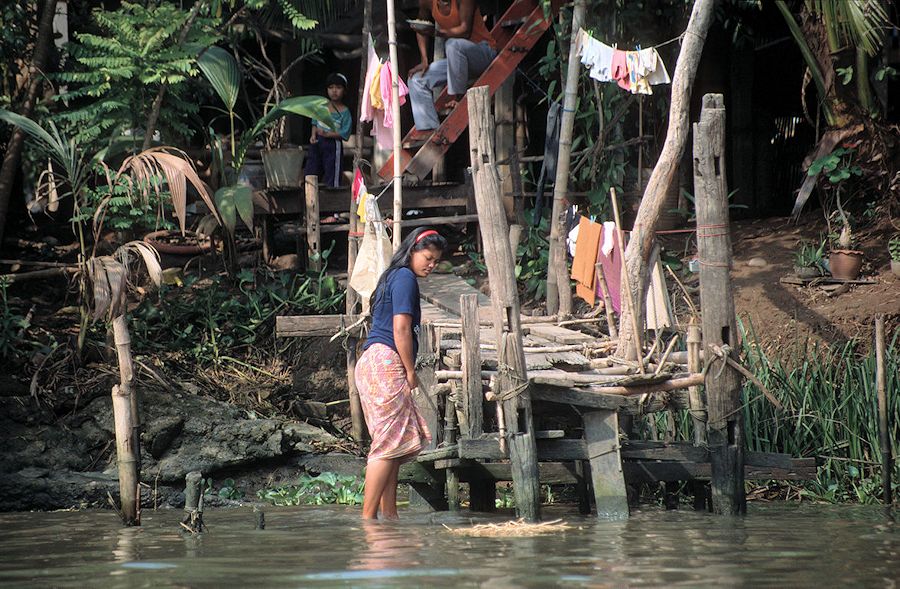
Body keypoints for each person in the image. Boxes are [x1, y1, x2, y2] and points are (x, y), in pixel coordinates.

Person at [354, 227, 448, 520]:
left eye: (435, 261)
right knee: (385, 446)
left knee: (391, 445)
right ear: (412, 251)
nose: (431, 265)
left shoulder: (391, 276)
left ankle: (389, 518)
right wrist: (410, 371)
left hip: (371, 361)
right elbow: (401, 328)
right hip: (386, 362)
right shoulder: (406, 277)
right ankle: (368, 521)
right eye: (428, 257)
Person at [407, 0, 496, 131]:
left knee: (453, 45)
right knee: (416, 80)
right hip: (457, 61)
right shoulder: (427, 2)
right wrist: (424, 60)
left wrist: (436, 33)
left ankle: (458, 97)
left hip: (483, 53)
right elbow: (420, 27)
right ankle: (429, 128)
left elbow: (465, 31)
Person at [305, 72, 352, 187]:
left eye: (338, 87)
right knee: (312, 168)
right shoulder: (321, 107)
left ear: (344, 91)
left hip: (333, 145)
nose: (334, 91)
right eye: (331, 87)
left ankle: (332, 194)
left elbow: (345, 133)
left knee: (332, 171)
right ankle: (309, 191)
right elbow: (315, 122)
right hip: (317, 143)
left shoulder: (345, 112)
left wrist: (328, 134)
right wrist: (313, 136)